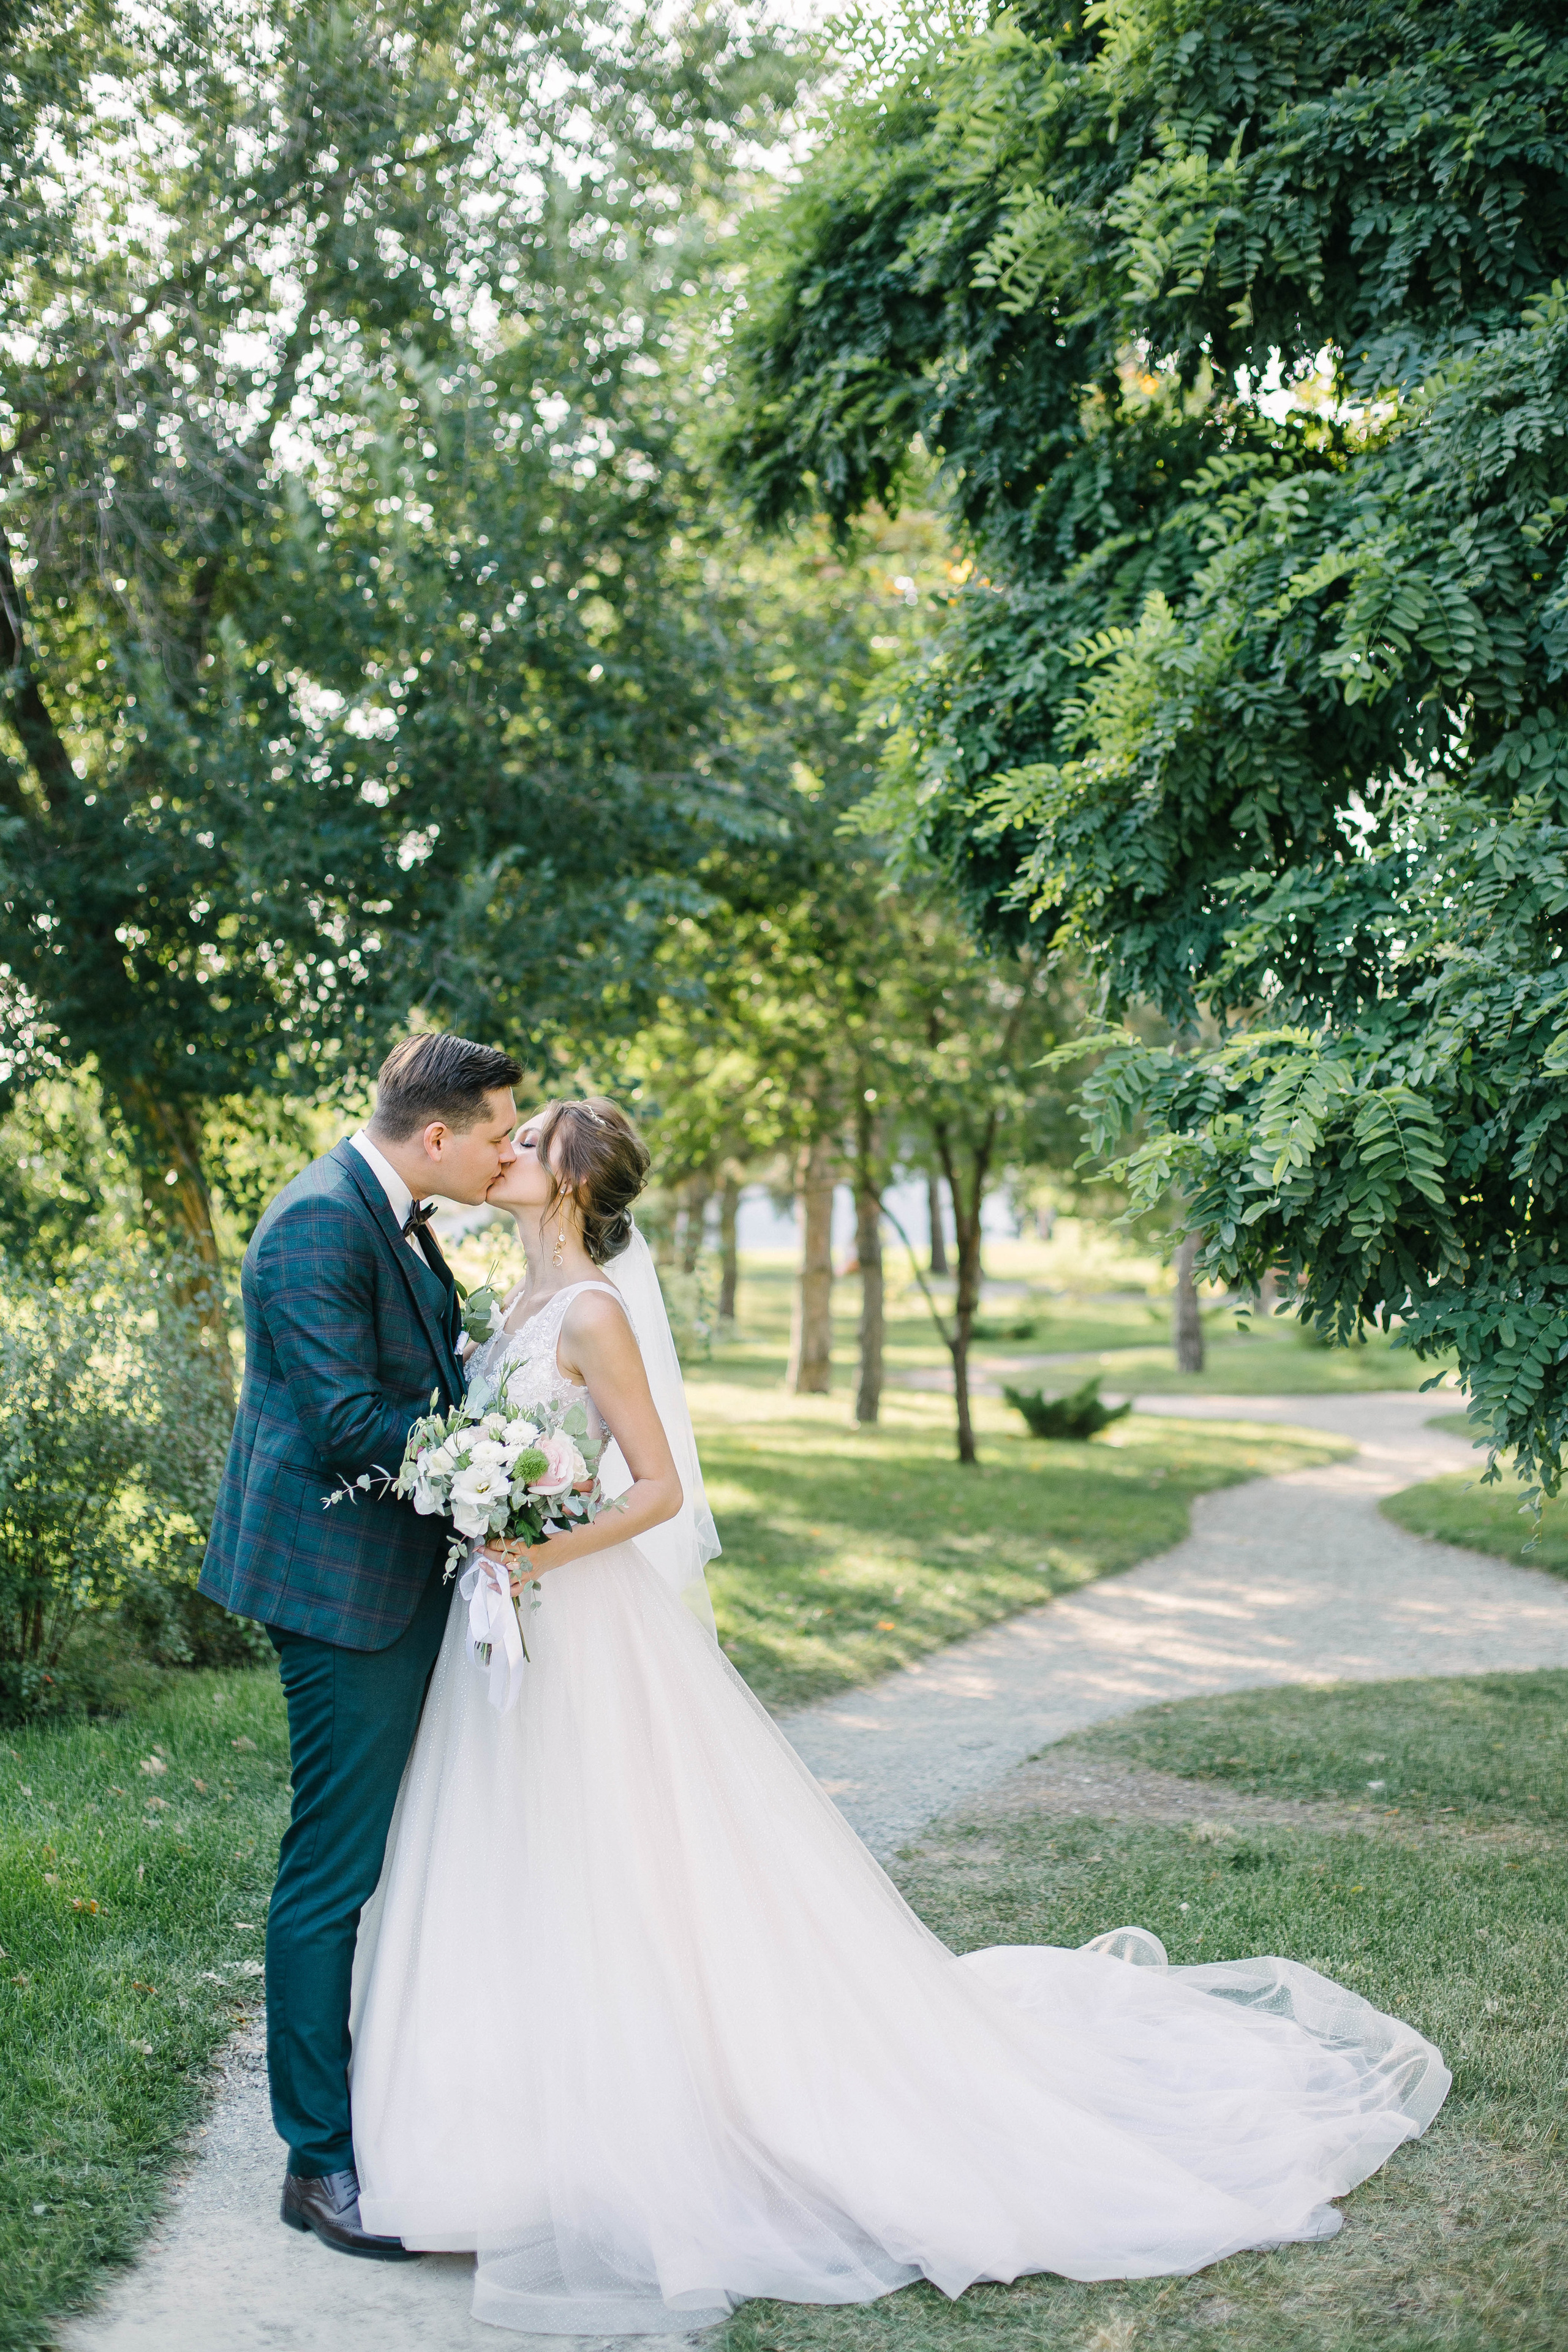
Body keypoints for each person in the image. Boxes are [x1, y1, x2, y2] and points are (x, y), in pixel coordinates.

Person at [347, 1094, 1450, 2334]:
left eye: (530, 1139)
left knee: (619, 1863)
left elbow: (655, 1490)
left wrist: (533, 1552)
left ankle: (642, 2119)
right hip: (508, 1624)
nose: (504, 1148)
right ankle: (498, 2131)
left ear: (572, 1184)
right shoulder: (515, 1301)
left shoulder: (594, 1312)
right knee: (521, 1855)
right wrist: (487, 1519)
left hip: (574, 1617)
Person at [199, 1031, 522, 2260]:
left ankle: (388, 2114)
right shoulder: (315, 1224)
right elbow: (344, 1423)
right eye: (497, 1133)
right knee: (332, 1870)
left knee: (393, 1851)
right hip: (338, 1588)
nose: (506, 1153)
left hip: (397, 1571)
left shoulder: (392, 1213)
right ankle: (317, 2160)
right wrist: (500, 1469)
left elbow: (421, 1372)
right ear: (436, 1136)